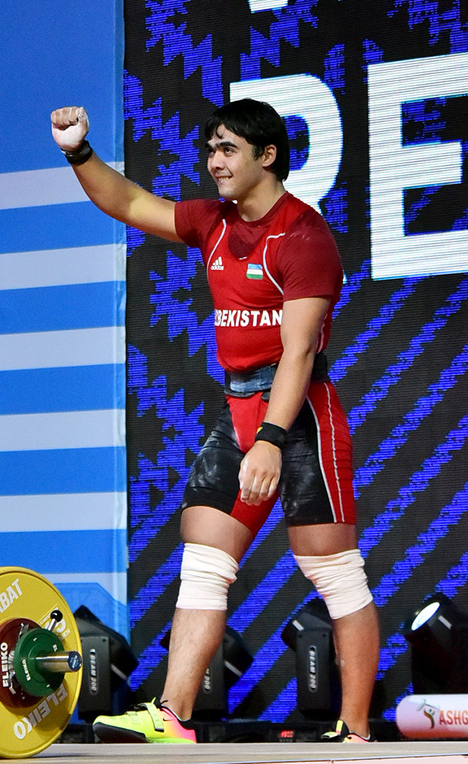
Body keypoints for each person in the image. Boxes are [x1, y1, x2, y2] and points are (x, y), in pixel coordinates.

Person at [50, 99, 379, 744]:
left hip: (301, 414)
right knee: (202, 556)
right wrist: (78, 153)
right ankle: (173, 717)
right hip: (239, 409)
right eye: (211, 149)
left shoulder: (305, 238)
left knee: (332, 571)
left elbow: (300, 351)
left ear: (268, 156)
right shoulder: (214, 223)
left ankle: (357, 729)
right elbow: (128, 202)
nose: (215, 161)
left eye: (229, 149)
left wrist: (273, 441)